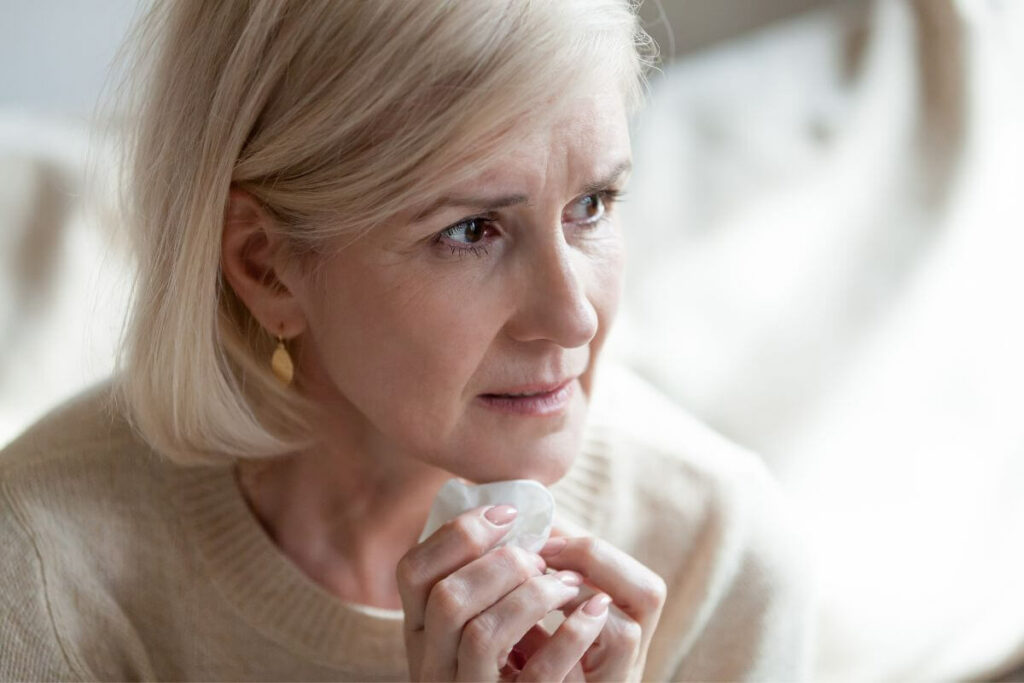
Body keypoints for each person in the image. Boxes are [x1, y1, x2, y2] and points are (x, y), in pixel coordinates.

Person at [0, 1, 811, 680]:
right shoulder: (44, 569)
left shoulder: (716, 549)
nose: (574, 318)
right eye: (472, 229)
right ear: (267, 266)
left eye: (592, 204)